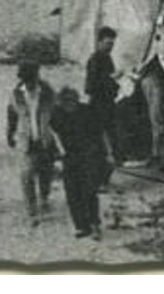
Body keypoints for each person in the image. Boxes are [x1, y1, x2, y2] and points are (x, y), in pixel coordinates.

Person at [50, 86, 106, 239]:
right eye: (65, 102)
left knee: (89, 190)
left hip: (88, 156)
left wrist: (106, 155)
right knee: (72, 193)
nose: (69, 105)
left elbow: (100, 135)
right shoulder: (57, 114)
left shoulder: (87, 111)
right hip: (68, 157)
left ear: (76, 100)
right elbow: (53, 136)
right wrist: (57, 157)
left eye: (71, 101)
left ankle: (95, 224)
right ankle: (81, 226)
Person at [6, 61, 57, 224]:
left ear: (36, 77)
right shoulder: (16, 94)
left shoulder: (48, 92)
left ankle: (44, 197)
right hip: (25, 138)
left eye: (31, 80)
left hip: (44, 138)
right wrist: (10, 133)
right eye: (25, 80)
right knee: (26, 174)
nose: (28, 84)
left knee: (45, 172)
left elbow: (56, 115)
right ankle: (31, 210)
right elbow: (12, 114)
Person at [84, 26, 120, 168]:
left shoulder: (107, 58)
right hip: (98, 105)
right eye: (107, 44)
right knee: (99, 139)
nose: (110, 47)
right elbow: (90, 87)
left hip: (108, 104)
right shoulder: (95, 60)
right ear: (99, 42)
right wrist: (111, 79)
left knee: (108, 136)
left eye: (112, 44)